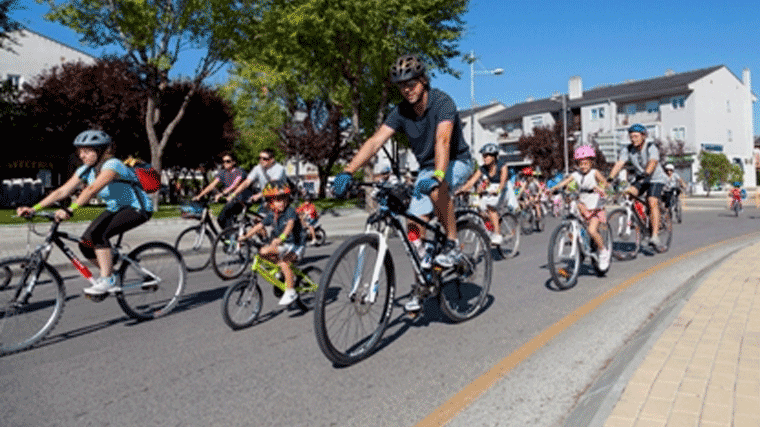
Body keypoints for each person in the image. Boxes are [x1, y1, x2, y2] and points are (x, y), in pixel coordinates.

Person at [330, 54, 473, 312]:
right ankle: (425, 277)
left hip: (454, 161)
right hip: (427, 168)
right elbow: (375, 141)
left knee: (435, 190)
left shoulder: (442, 102)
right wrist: (348, 170)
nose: (407, 89)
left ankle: (451, 243)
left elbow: (442, 140)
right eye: (402, 85)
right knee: (413, 228)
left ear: (423, 80)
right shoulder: (400, 111)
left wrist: (439, 176)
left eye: (412, 83)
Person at [17, 130, 154, 295]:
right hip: (115, 208)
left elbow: (92, 189)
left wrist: (70, 209)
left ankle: (107, 279)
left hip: (138, 208)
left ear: (101, 151)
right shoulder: (85, 170)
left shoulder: (113, 165)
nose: (82, 155)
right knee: (86, 244)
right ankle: (112, 273)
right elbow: (62, 191)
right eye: (80, 151)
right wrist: (34, 208)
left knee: (99, 236)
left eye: (87, 151)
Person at [238, 181, 305, 306]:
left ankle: (291, 291)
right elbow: (259, 225)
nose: (281, 203)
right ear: (270, 203)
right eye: (277, 200)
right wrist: (246, 236)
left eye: (283, 199)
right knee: (263, 252)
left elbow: (290, 225)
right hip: (284, 245)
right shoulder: (272, 214)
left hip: (296, 244)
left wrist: (282, 237)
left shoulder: (290, 211)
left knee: (285, 263)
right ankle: (283, 272)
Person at [550, 145, 611, 270]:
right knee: (571, 227)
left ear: (591, 163)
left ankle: (603, 251)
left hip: (595, 208)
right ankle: (580, 248)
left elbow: (605, 183)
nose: (583, 166)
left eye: (586, 163)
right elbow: (565, 182)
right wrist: (554, 188)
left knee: (592, 231)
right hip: (582, 207)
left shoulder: (595, 172)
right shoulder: (576, 174)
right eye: (580, 164)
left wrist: (601, 188)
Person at [607, 124, 667, 250]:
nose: (633, 139)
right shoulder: (628, 149)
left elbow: (653, 162)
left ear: (643, 136)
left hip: (655, 179)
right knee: (628, 193)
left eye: (636, 136)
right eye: (631, 136)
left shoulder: (651, 147)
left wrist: (647, 172)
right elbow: (619, 164)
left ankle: (655, 235)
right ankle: (641, 221)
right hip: (641, 178)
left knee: (652, 201)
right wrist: (610, 178)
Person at [456, 143, 508, 245]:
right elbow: (472, 181)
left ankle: (497, 234)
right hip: (490, 188)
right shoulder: (483, 168)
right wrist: (462, 190)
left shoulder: (502, 165)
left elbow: (503, 180)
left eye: (487, 155)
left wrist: (498, 190)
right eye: (484, 156)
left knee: (490, 207)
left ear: (494, 156)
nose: (485, 158)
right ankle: (490, 227)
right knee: (479, 209)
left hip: (504, 188)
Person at [193, 151, 246, 229]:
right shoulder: (222, 173)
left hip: (242, 200)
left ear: (234, 162)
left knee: (224, 217)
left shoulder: (239, 171)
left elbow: (234, 185)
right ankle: (230, 237)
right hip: (232, 200)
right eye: (223, 161)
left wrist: (221, 194)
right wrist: (200, 196)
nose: (225, 163)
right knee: (221, 219)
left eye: (228, 161)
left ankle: (232, 238)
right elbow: (212, 185)